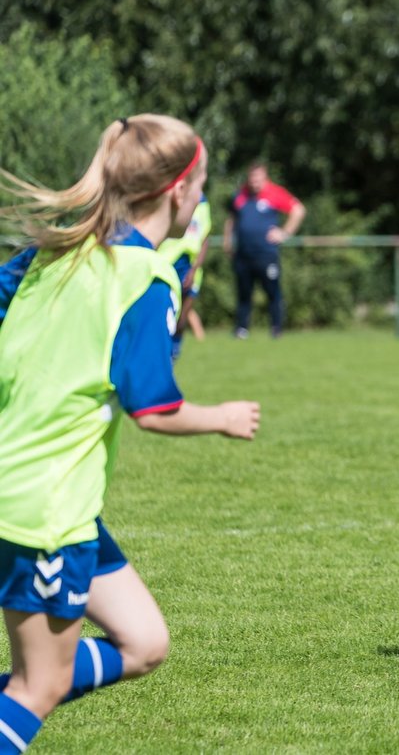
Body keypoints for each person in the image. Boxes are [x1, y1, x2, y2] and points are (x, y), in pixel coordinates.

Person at [0, 114, 260, 754]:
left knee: (144, 642)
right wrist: (222, 417)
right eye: (200, 186)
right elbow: (154, 408)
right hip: (42, 509)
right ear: (177, 192)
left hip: (54, 503)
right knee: (40, 686)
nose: (201, 200)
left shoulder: (47, 255)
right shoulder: (144, 280)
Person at [223, 161, 306, 338]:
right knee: (244, 292)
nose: (254, 182)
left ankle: (276, 328)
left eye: (258, 178)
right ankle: (241, 329)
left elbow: (298, 209)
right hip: (243, 253)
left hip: (265, 253)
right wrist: (227, 241)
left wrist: (284, 233)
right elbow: (231, 219)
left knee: (272, 291)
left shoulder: (274, 192)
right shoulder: (240, 195)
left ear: (264, 177)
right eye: (252, 178)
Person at [157, 191, 212, 359]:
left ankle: (173, 355)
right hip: (166, 263)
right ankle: (162, 357)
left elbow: (205, 237)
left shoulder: (202, 203)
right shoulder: (170, 195)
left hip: (190, 267)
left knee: (181, 321)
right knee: (163, 318)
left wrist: (195, 268)